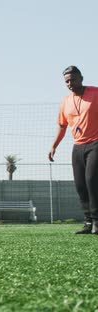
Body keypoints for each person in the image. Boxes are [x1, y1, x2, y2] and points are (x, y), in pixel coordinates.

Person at [49, 65, 98, 234]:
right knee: (80, 185)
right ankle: (88, 223)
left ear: (81, 78)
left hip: (96, 144)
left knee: (92, 181)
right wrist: (54, 146)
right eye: (67, 81)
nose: (70, 83)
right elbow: (62, 126)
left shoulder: (95, 93)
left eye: (73, 79)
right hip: (78, 146)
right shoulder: (65, 102)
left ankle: (97, 222)